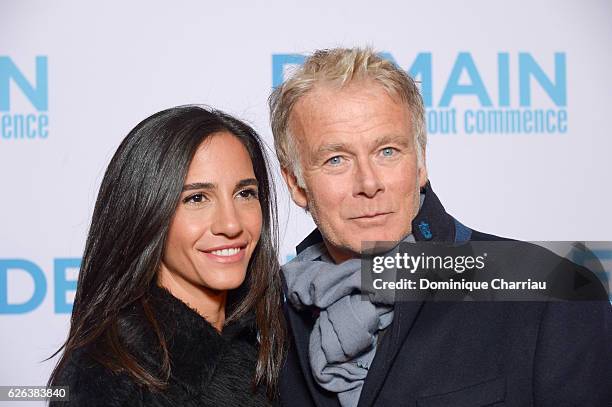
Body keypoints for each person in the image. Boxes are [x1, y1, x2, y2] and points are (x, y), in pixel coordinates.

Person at [269, 48, 611, 406]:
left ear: (420, 163)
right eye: (336, 159)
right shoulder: (266, 319)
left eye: (387, 151)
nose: (368, 184)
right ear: (295, 183)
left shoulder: (553, 291)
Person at [48, 105, 286, 406]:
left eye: (245, 194)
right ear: (146, 213)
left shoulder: (265, 346)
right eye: (197, 198)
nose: (231, 224)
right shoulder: (108, 373)